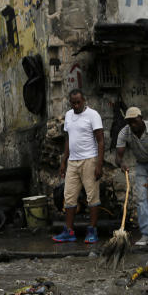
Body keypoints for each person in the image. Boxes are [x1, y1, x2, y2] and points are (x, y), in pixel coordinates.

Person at [53, 89, 104, 244]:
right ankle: (69, 231)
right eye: (73, 103)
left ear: (84, 101)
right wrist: (63, 161)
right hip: (72, 162)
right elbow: (68, 140)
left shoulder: (93, 115)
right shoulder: (68, 115)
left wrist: (99, 164)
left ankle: (92, 231)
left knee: (92, 196)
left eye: (78, 102)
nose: (75, 105)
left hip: (89, 160)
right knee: (69, 197)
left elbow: (101, 141)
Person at [115, 106, 148, 245]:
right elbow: (118, 156)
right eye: (129, 122)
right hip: (141, 165)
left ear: (141, 118)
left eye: (135, 121)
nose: (132, 125)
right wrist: (121, 164)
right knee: (141, 199)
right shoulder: (125, 132)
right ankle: (145, 234)